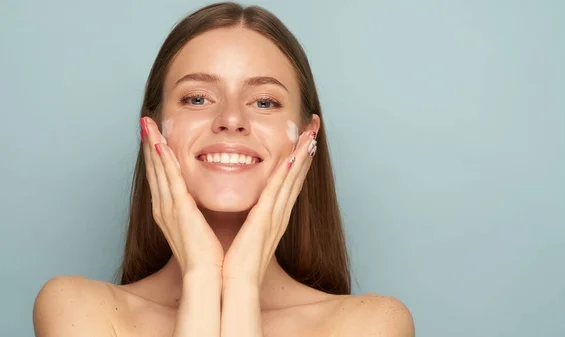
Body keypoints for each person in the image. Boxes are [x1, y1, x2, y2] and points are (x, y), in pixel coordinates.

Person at [32, 2, 414, 336]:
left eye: (264, 102)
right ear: (151, 129)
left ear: (307, 138)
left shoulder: (371, 324)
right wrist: (201, 275)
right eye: (197, 98)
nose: (231, 119)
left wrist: (242, 282)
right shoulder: (77, 309)